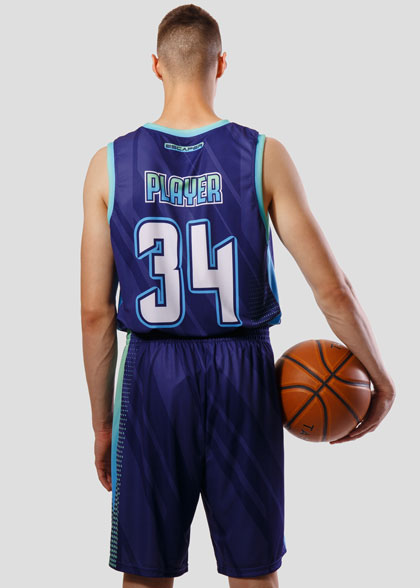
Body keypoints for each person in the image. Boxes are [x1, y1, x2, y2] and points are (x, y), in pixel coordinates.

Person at [80, 4, 396, 588]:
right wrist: (382, 379)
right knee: (254, 574)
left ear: (156, 66)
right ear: (221, 64)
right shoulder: (263, 155)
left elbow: (95, 313)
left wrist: (103, 425)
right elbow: (332, 288)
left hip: (152, 376)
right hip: (243, 372)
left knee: (145, 576)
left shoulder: (108, 165)